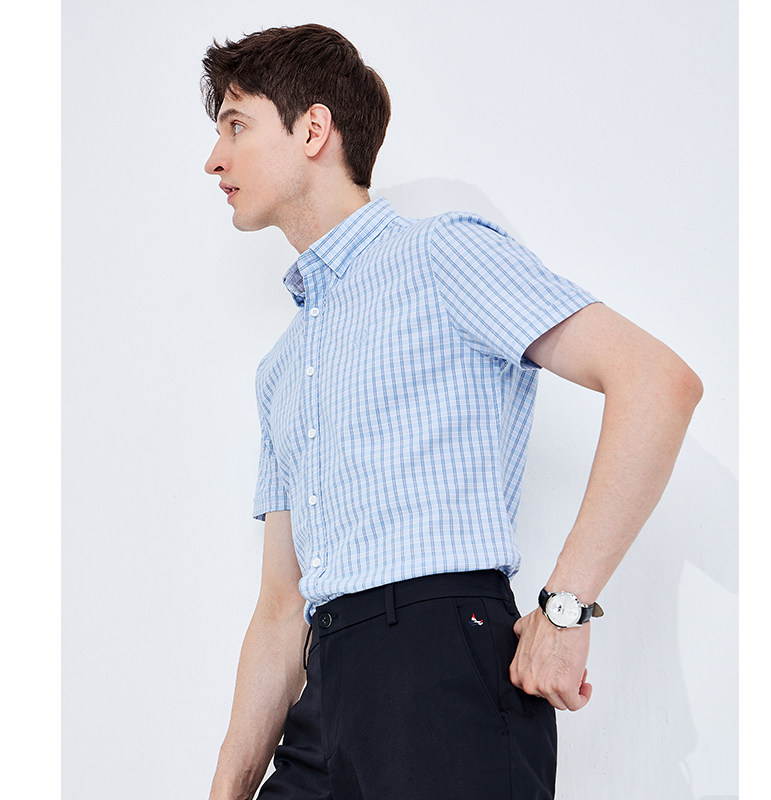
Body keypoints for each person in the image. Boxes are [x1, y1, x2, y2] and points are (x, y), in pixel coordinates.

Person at [200, 23, 703, 800]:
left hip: (440, 670)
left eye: (236, 125)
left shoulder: (438, 255)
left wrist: (565, 610)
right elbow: (279, 609)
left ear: (313, 129)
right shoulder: (282, 369)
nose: (214, 158)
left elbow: (656, 381)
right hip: (325, 695)